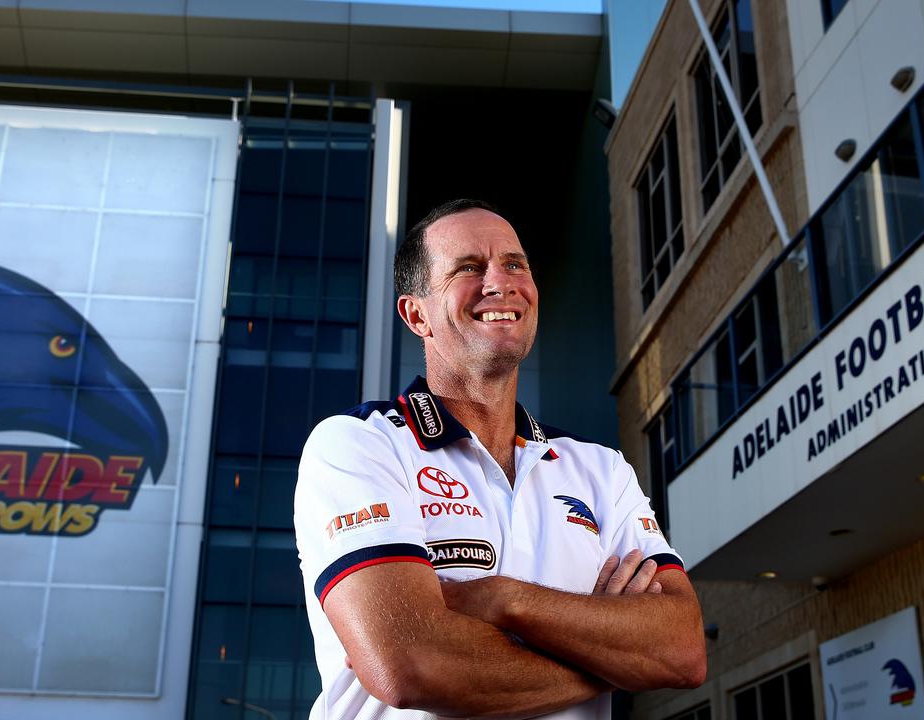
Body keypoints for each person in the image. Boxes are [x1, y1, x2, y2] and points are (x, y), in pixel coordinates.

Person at [294, 199, 706, 719]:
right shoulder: (358, 445)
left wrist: (500, 598)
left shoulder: (601, 470)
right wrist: (617, 657)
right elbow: (411, 665)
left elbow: (683, 651)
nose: (500, 282)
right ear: (415, 313)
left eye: (515, 264)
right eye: (468, 268)